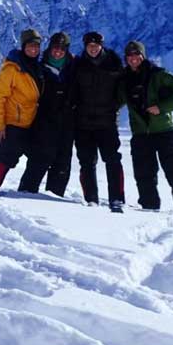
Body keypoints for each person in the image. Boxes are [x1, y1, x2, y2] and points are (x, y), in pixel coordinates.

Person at [119, 40, 173, 217]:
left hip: (165, 132)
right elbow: (115, 100)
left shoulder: (159, 75)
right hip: (140, 134)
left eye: (136, 55)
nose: (133, 59)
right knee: (144, 176)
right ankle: (149, 211)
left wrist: (161, 107)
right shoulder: (124, 79)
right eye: (129, 56)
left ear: (142, 56)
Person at [0, 28, 45, 199]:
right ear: (23, 46)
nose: (33, 49)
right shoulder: (12, 69)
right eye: (30, 46)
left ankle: (27, 191)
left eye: (36, 46)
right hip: (14, 124)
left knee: (39, 157)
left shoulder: (36, 67)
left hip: (32, 123)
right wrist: (0, 127)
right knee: (8, 158)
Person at [70, 31, 126, 212]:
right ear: (85, 47)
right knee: (87, 162)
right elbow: (72, 89)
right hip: (83, 123)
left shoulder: (114, 63)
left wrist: (115, 106)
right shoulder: (78, 65)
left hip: (107, 122)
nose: (93, 49)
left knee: (113, 160)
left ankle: (116, 199)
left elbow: (123, 89)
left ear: (101, 45)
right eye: (89, 46)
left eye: (96, 46)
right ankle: (91, 199)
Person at [18, 31, 74, 197]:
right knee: (39, 160)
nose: (58, 52)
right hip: (44, 123)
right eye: (55, 48)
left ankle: (52, 201)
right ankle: (24, 195)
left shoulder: (74, 69)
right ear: (49, 49)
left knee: (62, 164)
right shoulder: (39, 69)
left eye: (62, 49)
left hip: (66, 124)